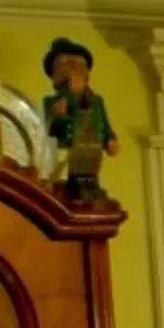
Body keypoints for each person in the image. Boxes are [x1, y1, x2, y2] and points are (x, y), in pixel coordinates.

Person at [40, 36, 115, 204]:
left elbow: (104, 119)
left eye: (78, 65)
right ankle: (76, 189)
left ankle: (91, 188)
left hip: (94, 143)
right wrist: (61, 114)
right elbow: (52, 131)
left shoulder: (96, 100)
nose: (73, 69)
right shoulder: (52, 102)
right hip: (72, 146)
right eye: (65, 65)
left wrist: (110, 138)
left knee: (91, 166)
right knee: (77, 168)